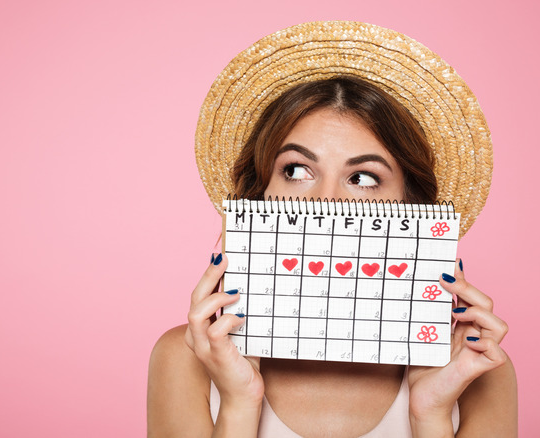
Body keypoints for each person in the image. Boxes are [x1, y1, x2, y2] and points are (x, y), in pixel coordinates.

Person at [148, 22, 517, 437]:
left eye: (362, 178)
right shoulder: (183, 358)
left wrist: (429, 414)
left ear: (413, 209)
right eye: (296, 170)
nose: (326, 201)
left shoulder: (476, 369)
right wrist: (239, 401)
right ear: (260, 194)